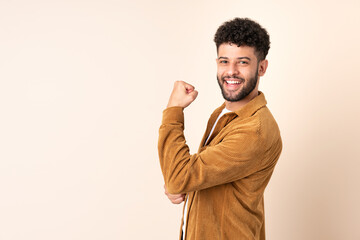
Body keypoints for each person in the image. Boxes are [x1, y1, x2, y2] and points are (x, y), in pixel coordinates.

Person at [158, 18, 282, 240]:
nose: (231, 71)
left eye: (243, 62)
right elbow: (195, 174)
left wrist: (173, 109)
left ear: (261, 67)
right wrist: (182, 182)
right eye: (224, 61)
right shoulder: (223, 114)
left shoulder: (254, 130)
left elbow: (179, 176)